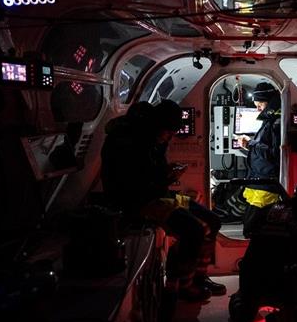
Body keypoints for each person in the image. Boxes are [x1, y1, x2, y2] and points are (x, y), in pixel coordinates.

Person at [101, 99, 225, 301]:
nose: (170, 136)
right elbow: (132, 184)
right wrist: (167, 176)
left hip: (161, 195)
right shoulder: (126, 142)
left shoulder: (152, 139)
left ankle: (199, 276)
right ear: (156, 125)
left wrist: (167, 173)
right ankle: (182, 284)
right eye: (169, 132)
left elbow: (154, 174)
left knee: (212, 220)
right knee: (192, 229)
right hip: (139, 202)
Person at [235, 81, 282, 238]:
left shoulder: (276, 123)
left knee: (253, 230)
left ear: (268, 102)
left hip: (266, 186)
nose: (258, 109)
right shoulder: (270, 120)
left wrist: (250, 143)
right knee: (250, 228)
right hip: (259, 182)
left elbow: (274, 153)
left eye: (259, 104)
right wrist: (251, 145)